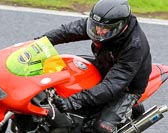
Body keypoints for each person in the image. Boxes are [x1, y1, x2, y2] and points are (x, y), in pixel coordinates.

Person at [35, 0, 152, 132]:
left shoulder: (134, 46)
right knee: (60, 70)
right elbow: (68, 31)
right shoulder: (101, 24)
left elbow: (112, 86)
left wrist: (73, 101)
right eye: (96, 25)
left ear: (120, 26)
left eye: (104, 28)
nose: (98, 30)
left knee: (99, 128)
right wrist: (40, 43)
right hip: (104, 64)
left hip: (127, 86)